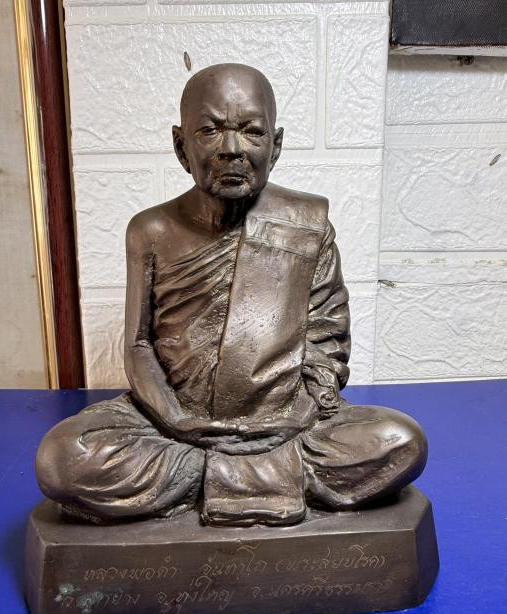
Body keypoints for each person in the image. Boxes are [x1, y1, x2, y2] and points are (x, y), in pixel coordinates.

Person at [36, 63, 427, 526]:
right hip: (177, 427)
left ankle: (211, 477)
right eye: (210, 131)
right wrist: (176, 419)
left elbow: (326, 340)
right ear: (181, 146)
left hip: (287, 423)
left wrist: (301, 414)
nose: (232, 149)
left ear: (275, 146)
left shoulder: (306, 223)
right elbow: (139, 345)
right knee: (63, 458)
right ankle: (266, 475)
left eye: (251, 131)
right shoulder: (151, 230)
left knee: (401, 441)